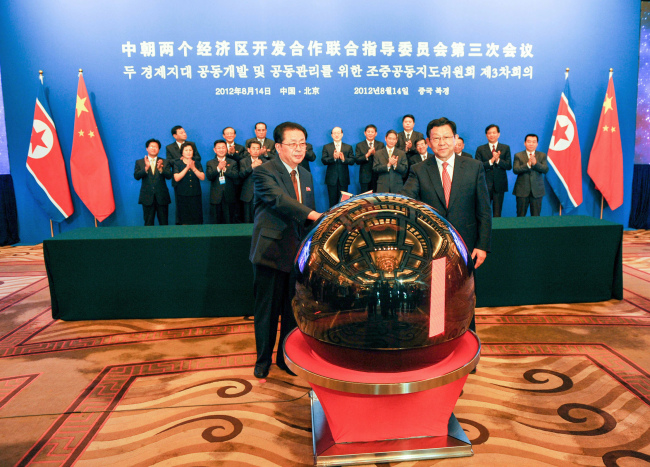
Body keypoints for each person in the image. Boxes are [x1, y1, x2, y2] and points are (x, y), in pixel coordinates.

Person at [401, 117, 491, 333]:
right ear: (428, 142)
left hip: (466, 247)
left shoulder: (474, 167)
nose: (442, 142)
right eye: (436, 138)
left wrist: (483, 245)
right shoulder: (419, 169)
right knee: (436, 300)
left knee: (464, 299)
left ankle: (466, 348)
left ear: (456, 139)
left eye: (446, 137)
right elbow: (406, 199)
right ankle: (439, 347)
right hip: (433, 249)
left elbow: (484, 210)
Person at [249, 121, 321, 379]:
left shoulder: (307, 175)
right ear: (278, 146)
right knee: (267, 312)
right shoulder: (264, 172)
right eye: (293, 144)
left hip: (297, 255)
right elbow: (280, 201)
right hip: (270, 253)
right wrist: (315, 214)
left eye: (302, 144)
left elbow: (305, 219)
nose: (299, 149)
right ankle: (262, 360)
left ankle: (285, 358)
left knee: (293, 312)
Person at [474, 124, 512, 217]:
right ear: (486, 135)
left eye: (494, 132)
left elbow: (508, 166)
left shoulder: (505, 148)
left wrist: (498, 160)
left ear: (498, 134)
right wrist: (491, 161)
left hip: (499, 185)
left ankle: (497, 231)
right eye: (489, 133)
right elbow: (478, 166)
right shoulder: (480, 149)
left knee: (497, 213)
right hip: (484, 185)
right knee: (484, 212)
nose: (492, 135)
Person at [134, 138, 172, 225]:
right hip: (147, 197)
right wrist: (146, 168)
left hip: (162, 197)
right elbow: (136, 176)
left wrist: (161, 169)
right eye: (151, 146)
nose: (153, 148)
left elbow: (169, 176)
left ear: (159, 149)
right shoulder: (140, 162)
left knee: (164, 223)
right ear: (147, 148)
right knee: (148, 223)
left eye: (156, 147)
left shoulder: (165, 162)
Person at [513, 134, 549, 217]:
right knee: (520, 216)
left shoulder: (542, 155)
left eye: (534, 142)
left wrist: (535, 163)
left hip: (537, 191)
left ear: (537, 144)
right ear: (525, 143)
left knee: (536, 217)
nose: (531, 144)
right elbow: (516, 170)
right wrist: (528, 165)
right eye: (529, 141)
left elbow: (545, 169)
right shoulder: (518, 155)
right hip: (522, 191)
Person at [206, 139, 239, 224]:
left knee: (229, 220)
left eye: (223, 147)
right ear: (215, 150)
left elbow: (236, 176)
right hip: (216, 197)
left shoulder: (233, 162)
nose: (221, 150)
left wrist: (225, 169)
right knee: (216, 221)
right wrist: (218, 168)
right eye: (219, 148)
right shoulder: (210, 163)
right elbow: (209, 177)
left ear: (226, 149)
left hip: (229, 196)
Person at [321, 127, 355, 207]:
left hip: (343, 179)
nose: (336, 135)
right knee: (332, 202)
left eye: (338, 133)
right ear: (332, 135)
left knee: (344, 203)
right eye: (334, 133)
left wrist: (344, 159)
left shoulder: (348, 147)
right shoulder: (327, 147)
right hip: (331, 179)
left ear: (342, 134)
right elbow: (324, 161)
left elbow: (352, 161)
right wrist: (333, 158)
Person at [172, 142, 205, 224]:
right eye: (186, 150)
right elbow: (176, 178)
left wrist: (193, 168)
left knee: (196, 217)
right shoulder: (177, 163)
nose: (188, 152)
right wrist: (187, 168)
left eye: (190, 150)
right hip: (182, 194)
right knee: (184, 217)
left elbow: (202, 177)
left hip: (195, 194)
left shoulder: (197, 163)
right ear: (182, 152)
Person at [239, 140, 268, 223]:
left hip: (262, 194)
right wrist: (251, 166)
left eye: (258, 149)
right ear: (249, 150)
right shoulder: (243, 161)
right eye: (253, 148)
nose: (255, 151)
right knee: (248, 219)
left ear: (260, 150)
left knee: (261, 219)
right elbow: (241, 175)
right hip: (248, 194)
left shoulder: (265, 162)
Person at [355, 124, 384, 193]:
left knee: (376, 199)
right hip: (364, 177)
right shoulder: (359, 145)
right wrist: (367, 155)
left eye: (372, 132)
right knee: (365, 200)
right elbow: (357, 160)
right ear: (365, 133)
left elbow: (383, 160)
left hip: (377, 177)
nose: (370, 134)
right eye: (368, 132)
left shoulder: (380, 145)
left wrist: (375, 154)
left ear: (376, 133)